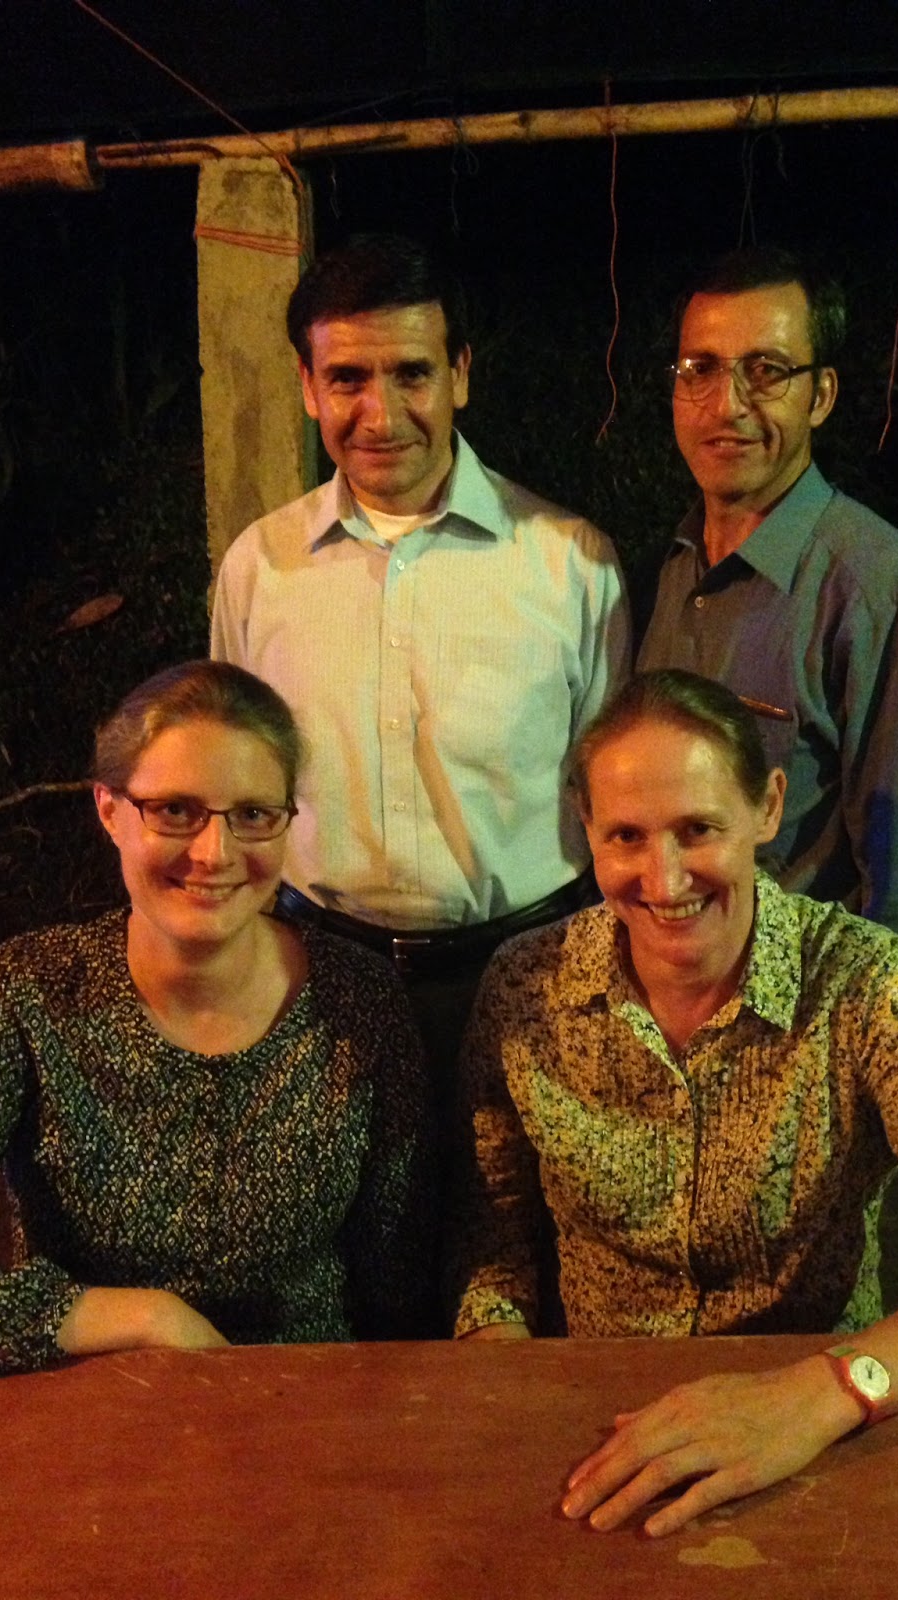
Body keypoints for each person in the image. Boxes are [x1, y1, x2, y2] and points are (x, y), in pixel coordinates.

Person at [450, 670, 898, 1535]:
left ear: (767, 808)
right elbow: (492, 1229)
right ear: (586, 832)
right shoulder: (527, 984)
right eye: (626, 836)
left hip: (816, 1434)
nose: (663, 877)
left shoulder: (861, 981)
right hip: (594, 1436)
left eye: (698, 829)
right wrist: (502, 1371)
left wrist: (823, 1392)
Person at [0, 661, 434, 1379]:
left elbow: (403, 1293)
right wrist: (138, 1317)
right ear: (109, 810)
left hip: (308, 1404)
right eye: (176, 810)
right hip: (94, 1409)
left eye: (253, 815)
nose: (214, 853)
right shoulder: (30, 993)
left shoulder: (358, 999)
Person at [210, 233, 630, 1078]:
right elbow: (235, 786)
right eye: (347, 379)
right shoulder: (258, 569)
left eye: (411, 373)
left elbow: (616, 799)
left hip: (531, 984)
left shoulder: (573, 566)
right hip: (316, 981)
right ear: (307, 386)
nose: (381, 414)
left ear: (460, 374)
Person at [638, 247, 898, 1004]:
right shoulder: (673, 567)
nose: (726, 405)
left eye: (765, 371)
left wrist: (881, 1054)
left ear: (820, 395)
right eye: (700, 369)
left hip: (801, 1030)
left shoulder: (881, 588)